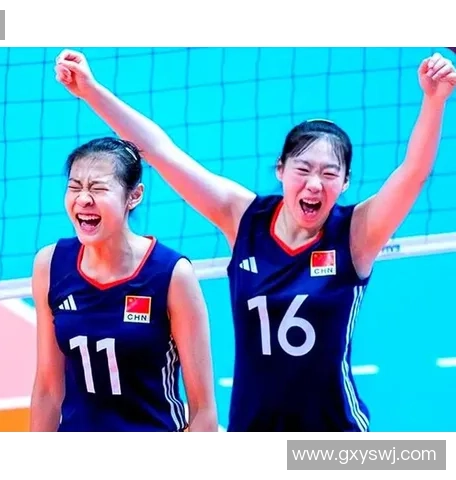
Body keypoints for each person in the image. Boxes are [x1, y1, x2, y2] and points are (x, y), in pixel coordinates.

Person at [53, 49, 456, 431]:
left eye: (330, 174)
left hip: (333, 434)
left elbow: (413, 173)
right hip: (252, 431)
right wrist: (91, 90)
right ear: (281, 170)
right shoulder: (244, 219)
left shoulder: (356, 234)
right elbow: (159, 151)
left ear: (346, 182)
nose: (314, 184)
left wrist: (434, 100)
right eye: (303, 169)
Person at [29, 136, 218, 432]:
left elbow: (203, 408)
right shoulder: (50, 265)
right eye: (75, 187)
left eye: (98, 188)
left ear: (134, 196)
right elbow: (48, 390)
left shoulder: (171, 274)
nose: (83, 199)